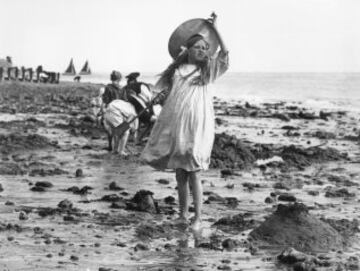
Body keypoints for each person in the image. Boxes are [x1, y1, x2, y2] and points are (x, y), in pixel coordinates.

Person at [141, 15, 229, 230]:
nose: (202, 51)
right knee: (180, 173)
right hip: (177, 125)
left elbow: (224, 56)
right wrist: (160, 97)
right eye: (197, 47)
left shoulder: (206, 72)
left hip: (198, 126)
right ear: (187, 50)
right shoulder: (177, 71)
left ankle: (198, 219)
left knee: (194, 171)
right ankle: (182, 215)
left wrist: (215, 30)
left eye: (205, 48)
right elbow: (166, 94)